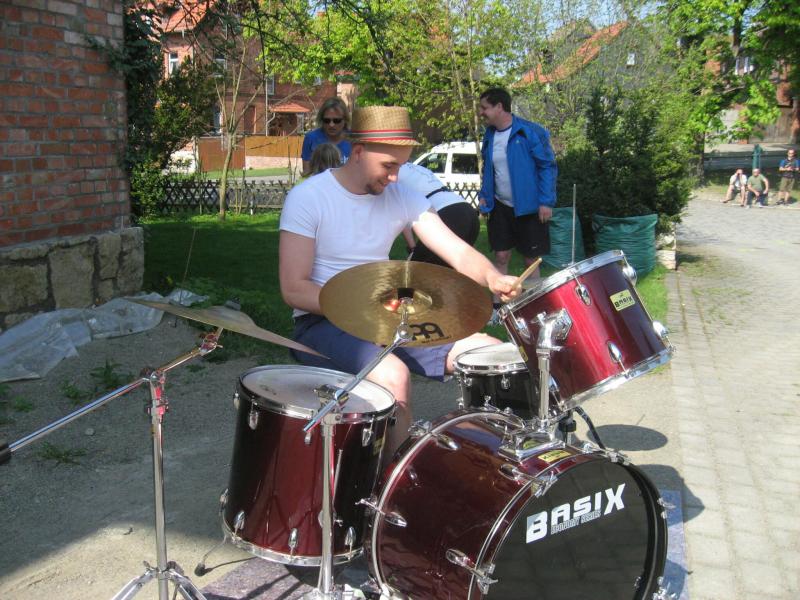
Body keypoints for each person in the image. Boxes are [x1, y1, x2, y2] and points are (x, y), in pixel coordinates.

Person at [279, 105, 520, 459]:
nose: (395, 177)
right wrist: (364, 308)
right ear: (358, 152)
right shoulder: (308, 197)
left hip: (387, 317)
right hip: (321, 323)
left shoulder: (402, 196)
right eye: (388, 166)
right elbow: (294, 289)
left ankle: (490, 467)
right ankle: (388, 485)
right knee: (394, 377)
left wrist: (493, 277)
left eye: (401, 167)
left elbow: (457, 251)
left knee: (490, 356)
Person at [477, 87, 557, 300]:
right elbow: (488, 168)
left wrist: (546, 201)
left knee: (531, 260)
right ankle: (497, 307)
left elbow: (547, 167)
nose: (481, 113)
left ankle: (534, 304)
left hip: (529, 206)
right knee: (501, 256)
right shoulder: (489, 135)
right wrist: (484, 195)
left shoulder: (530, 132)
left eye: (484, 108)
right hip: (500, 205)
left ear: (499, 107)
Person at [398, 162, 480, 268]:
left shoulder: (392, 172)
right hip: (468, 210)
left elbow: (402, 218)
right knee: (454, 270)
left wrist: (413, 249)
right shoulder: (417, 168)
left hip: (448, 214)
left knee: (416, 272)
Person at [300, 97, 351, 177]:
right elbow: (307, 173)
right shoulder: (311, 139)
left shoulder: (354, 139)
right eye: (327, 120)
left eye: (336, 120)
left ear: (345, 120)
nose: (331, 125)